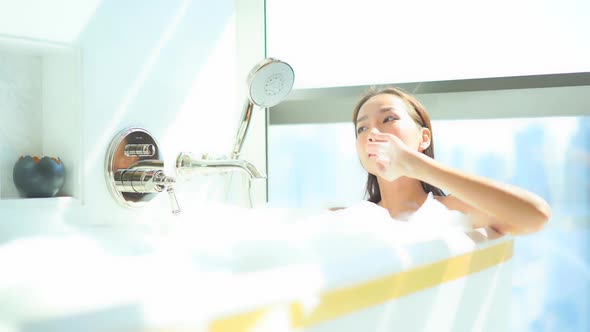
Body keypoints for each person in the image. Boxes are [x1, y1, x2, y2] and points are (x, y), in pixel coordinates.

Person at [350, 86, 551, 235]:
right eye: (362, 128)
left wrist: (414, 164)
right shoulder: (345, 220)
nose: (372, 133)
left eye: (388, 119)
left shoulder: (453, 211)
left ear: (424, 138)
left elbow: (536, 215)